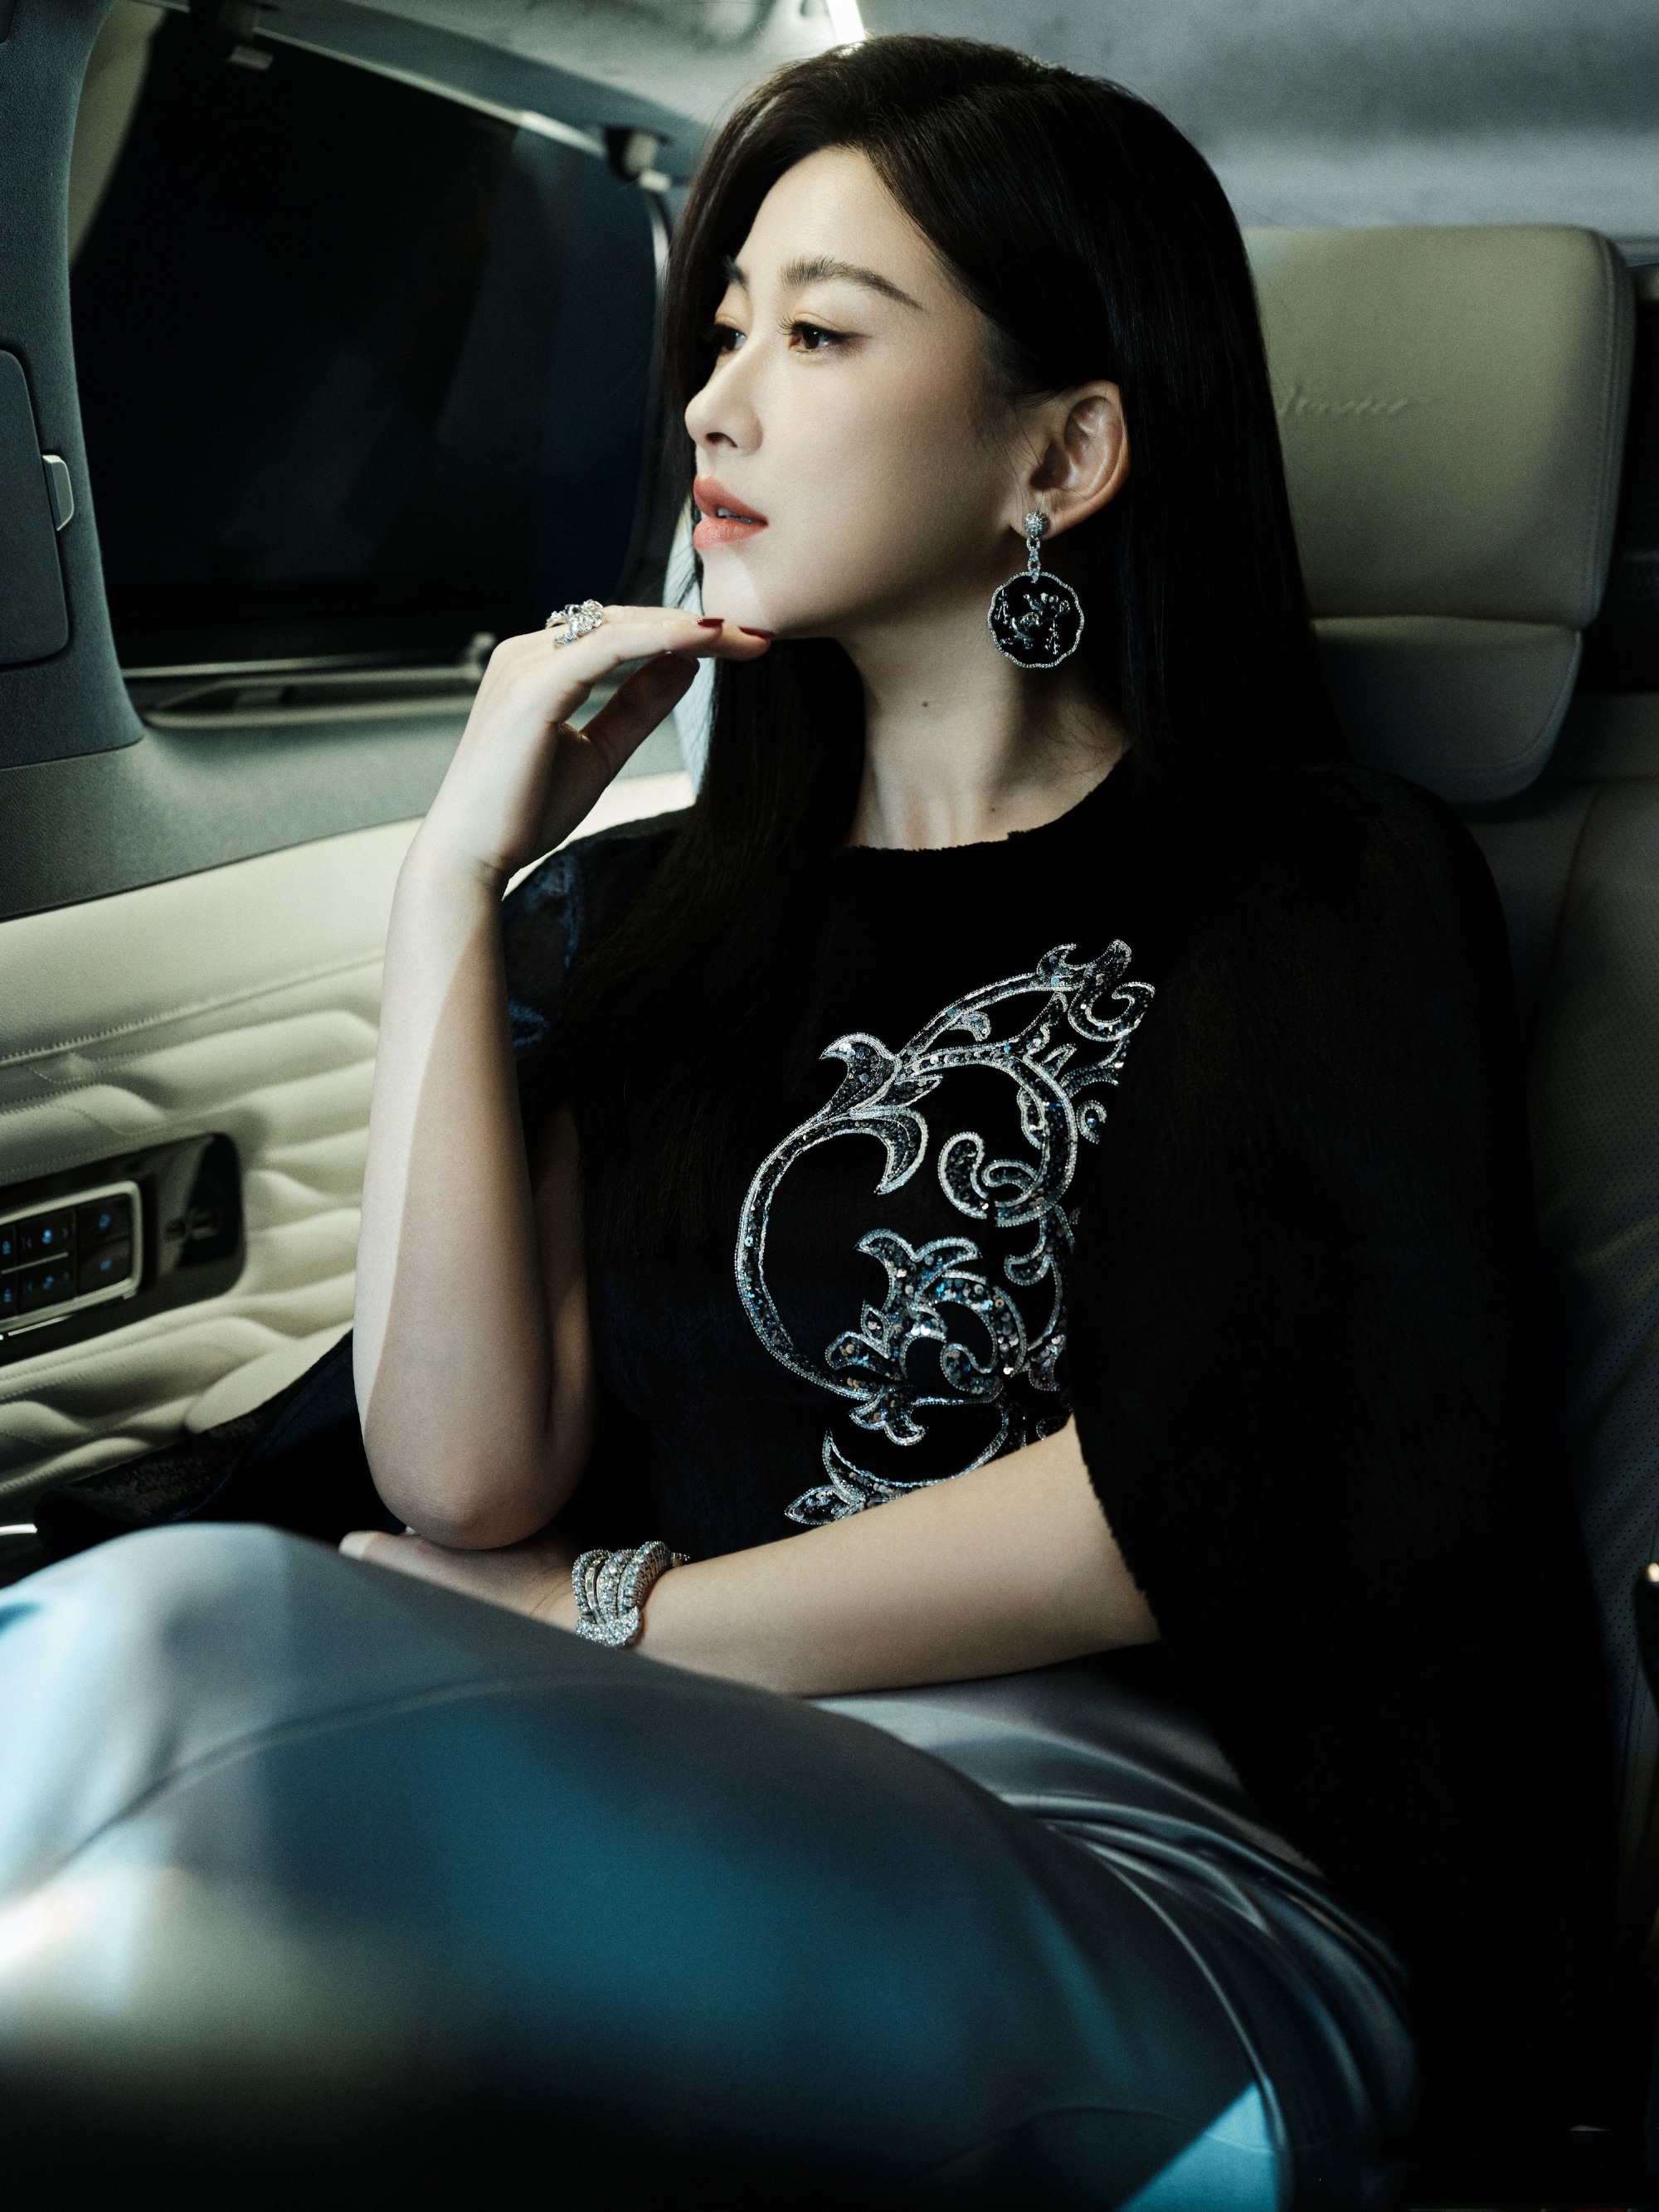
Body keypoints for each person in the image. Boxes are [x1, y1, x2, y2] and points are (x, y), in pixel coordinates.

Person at [0, 34, 1613, 2208]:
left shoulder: (1316, 878)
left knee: (175, 1650)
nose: (714, 402)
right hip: (669, 1789)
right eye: (724, 328)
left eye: (823, 335)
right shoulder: (640, 916)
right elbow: (464, 1468)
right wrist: (454, 885)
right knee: (142, 1810)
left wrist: (593, 1618)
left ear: (1066, 449)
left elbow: (1179, 1492)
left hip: (1150, 1892)